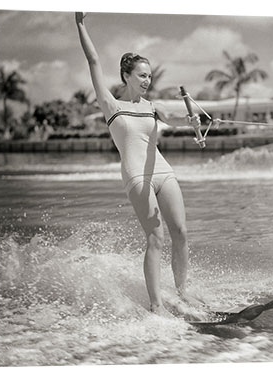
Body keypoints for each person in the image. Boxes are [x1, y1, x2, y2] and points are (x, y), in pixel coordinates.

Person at [75, 12, 201, 316]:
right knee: (156, 237)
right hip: (136, 176)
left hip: (162, 171)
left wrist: (192, 121)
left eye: (150, 76)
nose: (148, 80)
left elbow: (176, 119)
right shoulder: (111, 105)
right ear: (127, 76)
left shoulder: (152, 107)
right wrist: (80, 23)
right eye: (142, 75)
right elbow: (93, 62)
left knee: (181, 232)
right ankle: (156, 304)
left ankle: (183, 293)